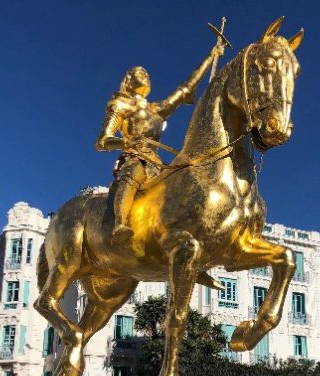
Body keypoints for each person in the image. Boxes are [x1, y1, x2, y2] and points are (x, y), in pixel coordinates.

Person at [95, 43, 224, 245]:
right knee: (132, 174)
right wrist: (127, 142)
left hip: (157, 163)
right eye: (139, 72)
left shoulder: (156, 110)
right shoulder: (119, 104)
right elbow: (103, 141)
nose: (145, 74)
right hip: (135, 158)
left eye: (146, 73)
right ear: (128, 80)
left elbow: (184, 90)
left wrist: (211, 56)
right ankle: (120, 224)